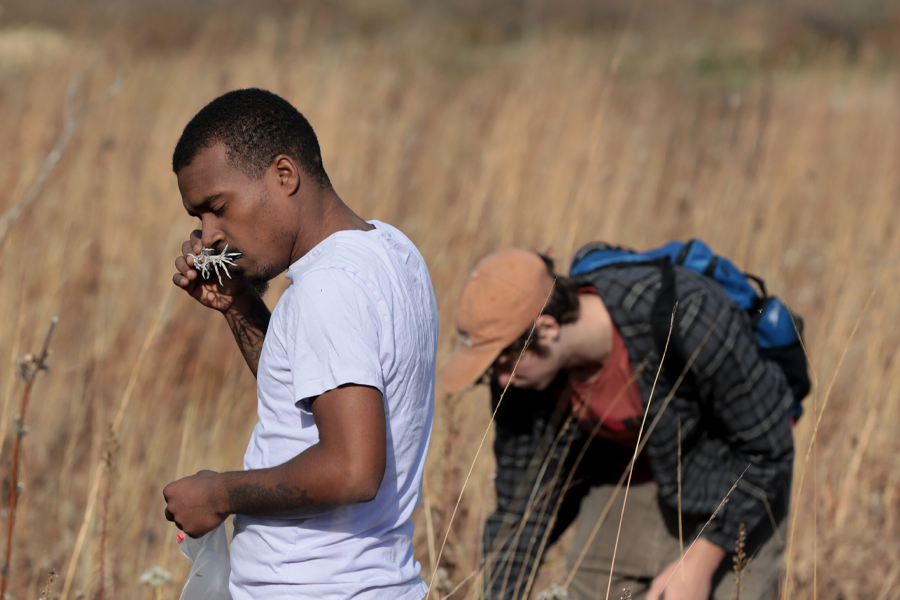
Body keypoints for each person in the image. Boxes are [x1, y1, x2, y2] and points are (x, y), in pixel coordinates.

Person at [162, 88, 438, 600]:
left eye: (218, 207)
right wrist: (239, 305)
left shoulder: (326, 288)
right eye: (199, 220)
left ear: (284, 176)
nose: (209, 235)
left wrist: (219, 493)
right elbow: (308, 389)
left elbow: (353, 470)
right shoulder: (391, 251)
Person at [439, 249, 796, 600]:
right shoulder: (522, 382)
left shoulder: (686, 314)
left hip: (735, 488)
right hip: (631, 485)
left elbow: (770, 451)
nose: (500, 380)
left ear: (546, 328)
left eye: (503, 360)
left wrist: (701, 562)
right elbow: (520, 512)